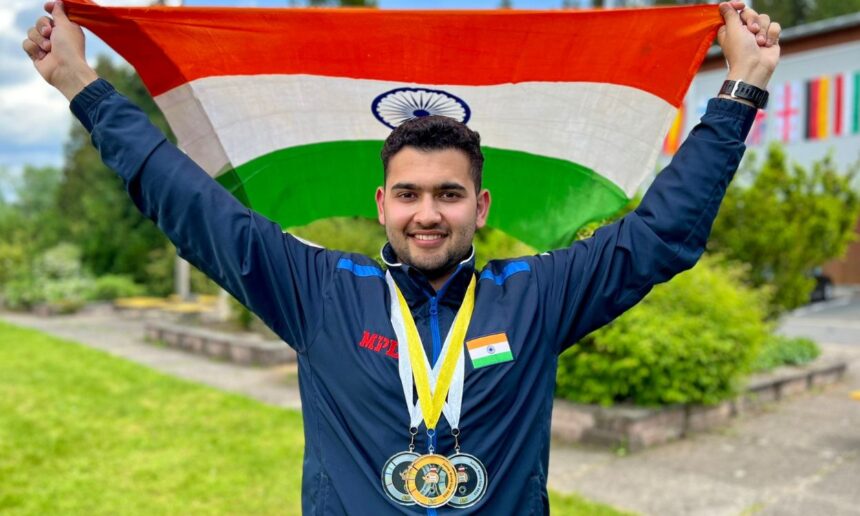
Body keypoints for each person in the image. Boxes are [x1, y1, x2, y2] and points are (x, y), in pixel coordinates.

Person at [23, 1, 780, 514]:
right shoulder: (315, 288)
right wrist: (83, 86)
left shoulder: (537, 296)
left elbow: (660, 235)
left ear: (479, 206)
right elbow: (187, 202)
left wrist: (741, 85)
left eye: (448, 195)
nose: (427, 214)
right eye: (409, 194)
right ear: (381, 203)